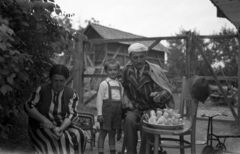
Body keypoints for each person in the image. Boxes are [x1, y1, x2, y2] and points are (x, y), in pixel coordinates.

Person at [121, 43, 175, 154]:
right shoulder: (127, 70)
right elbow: (125, 86)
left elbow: (168, 92)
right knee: (129, 120)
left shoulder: (154, 71)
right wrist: (126, 97)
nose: (139, 60)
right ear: (130, 58)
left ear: (146, 56)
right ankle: (130, 152)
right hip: (135, 107)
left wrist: (159, 96)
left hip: (152, 108)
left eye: (141, 57)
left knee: (146, 121)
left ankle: (145, 152)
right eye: (135, 57)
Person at [24, 64, 86, 154]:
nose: (58, 84)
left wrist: (60, 128)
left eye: (61, 81)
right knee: (59, 139)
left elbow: (71, 114)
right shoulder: (41, 90)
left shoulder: (71, 93)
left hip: (64, 125)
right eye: (55, 80)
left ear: (66, 80)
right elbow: (28, 106)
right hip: (41, 126)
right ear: (50, 79)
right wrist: (44, 119)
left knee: (80, 134)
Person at [96, 59, 124, 154]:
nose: (113, 72)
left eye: (115, 70)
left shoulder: (120, 85)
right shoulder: (104, 84)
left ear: (118, 71)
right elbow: (99, 99)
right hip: (106, 112)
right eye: (110, 70)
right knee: (103, 133)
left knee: (112, 133)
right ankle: (101, 152)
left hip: (117, 112)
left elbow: (121, 99)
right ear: (106, 71)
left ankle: (112, 151)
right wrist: (99, 114)